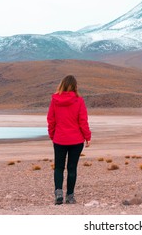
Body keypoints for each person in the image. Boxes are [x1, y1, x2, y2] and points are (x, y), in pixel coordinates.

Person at [47, 75, 91, 205]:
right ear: (75, 86)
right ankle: (70, 196)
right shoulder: (79, 101)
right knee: (72, 168)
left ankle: (58, 193)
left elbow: (51, 120)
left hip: (59, 139)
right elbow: (83, 121)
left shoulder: (55, 100)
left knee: (59, 168)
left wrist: (52, 135)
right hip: (76, 140)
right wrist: (87, 136)